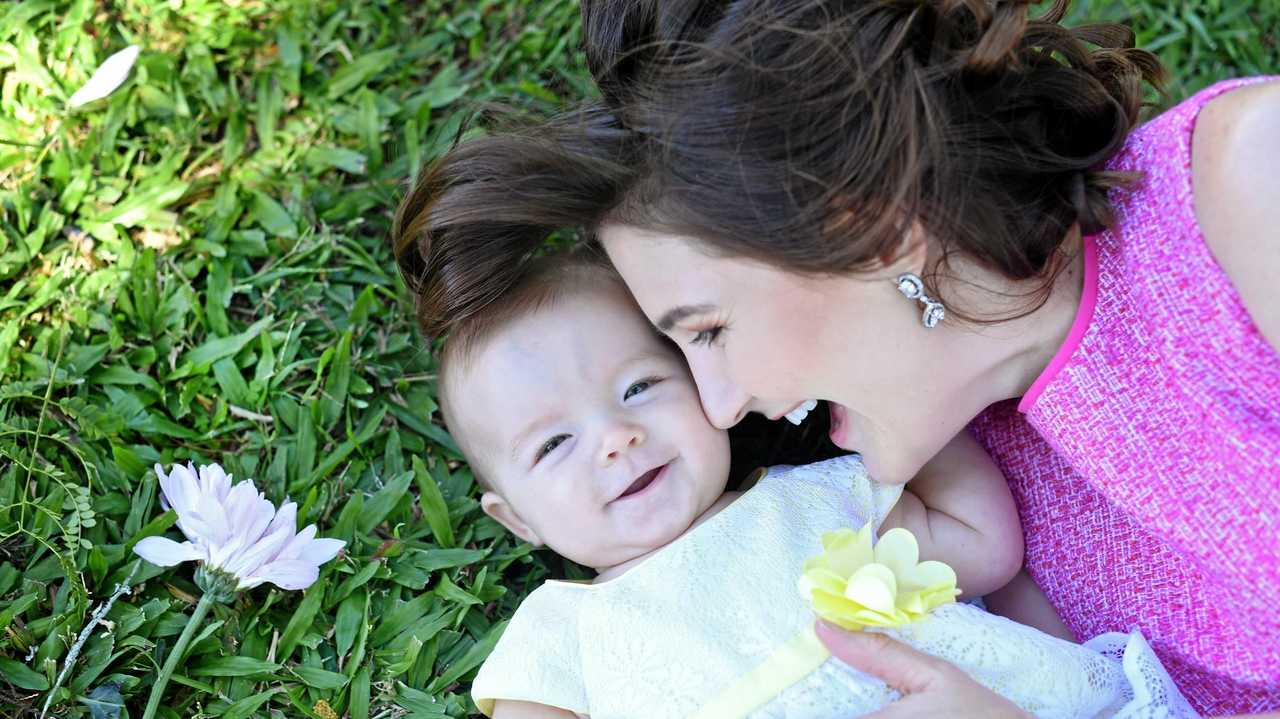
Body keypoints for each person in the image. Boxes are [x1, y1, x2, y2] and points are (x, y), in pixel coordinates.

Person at [394, 0, 1280, 713]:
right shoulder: (960, 477)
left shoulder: (1245, 188)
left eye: (705, 331)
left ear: (863, 224)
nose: (720, 403)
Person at [400, 245, 1191, 718]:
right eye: (554, 444)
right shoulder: (563, 628)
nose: (616, 440)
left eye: (640, 387)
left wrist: (898, 416)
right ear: (517, 521)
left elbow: (984, 546)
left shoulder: (818, 501)